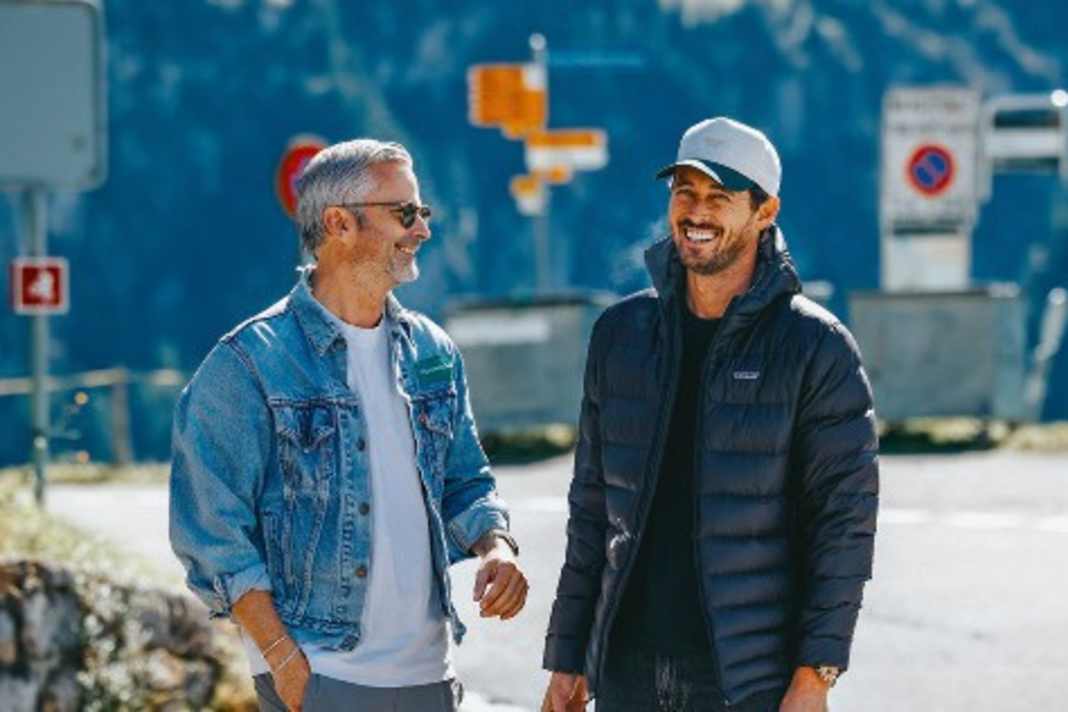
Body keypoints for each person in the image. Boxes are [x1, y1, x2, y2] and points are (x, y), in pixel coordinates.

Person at [170, 139, 528, 712]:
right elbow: (211, 535)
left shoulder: (432, 351)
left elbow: (466, 481)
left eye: (423, 213)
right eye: (405, 213)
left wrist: (497, 549)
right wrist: (284, 662)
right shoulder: (248, 362)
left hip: (431, 678)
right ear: (338, 223)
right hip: (321, 678)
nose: (423, 230)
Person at [542, 117, 879, 712]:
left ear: (765, 211)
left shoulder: (815, 348)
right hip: (627, 674)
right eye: (685, 193)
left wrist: (816, 675)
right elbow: (591, 511)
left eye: (719, 198)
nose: (696, 213)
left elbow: (842, 527)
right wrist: (569, 660)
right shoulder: (619, 336)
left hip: (746, 681)